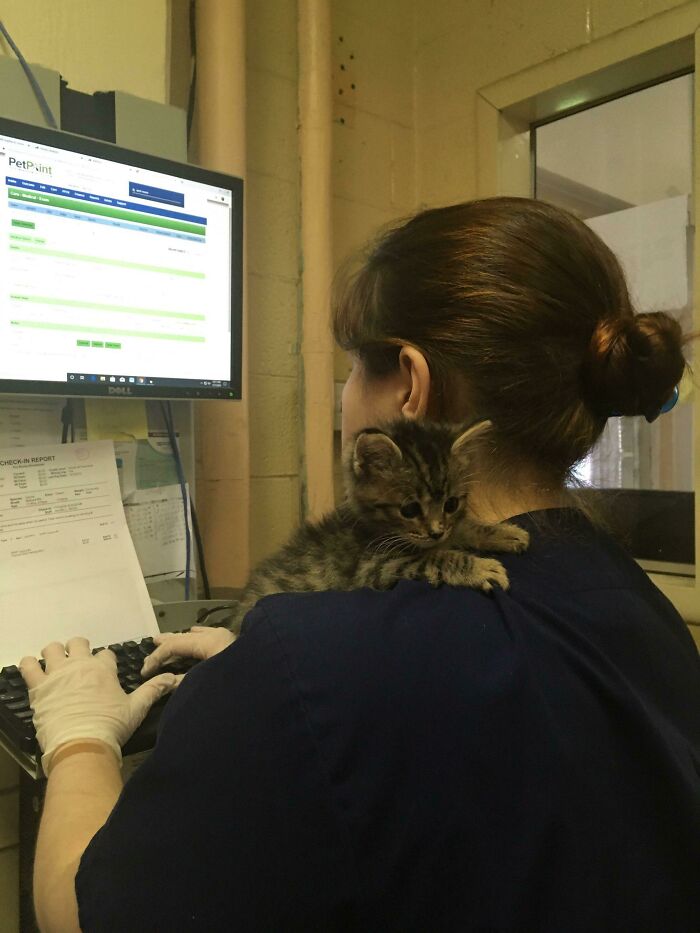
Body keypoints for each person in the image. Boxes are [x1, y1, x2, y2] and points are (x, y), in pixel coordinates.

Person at [21, 197, 700, 932]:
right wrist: (260, 683)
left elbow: (84, 915)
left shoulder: (309, 663)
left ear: (409, 385)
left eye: (350, 370)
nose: (343, 399)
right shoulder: (640, 606)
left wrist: (78, 737)